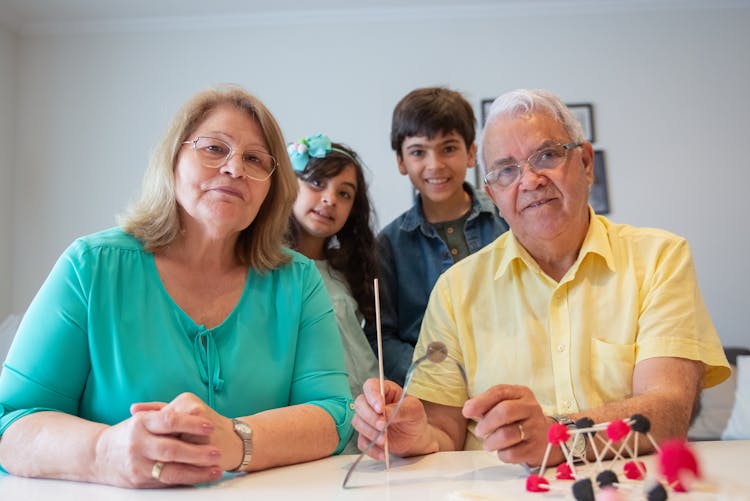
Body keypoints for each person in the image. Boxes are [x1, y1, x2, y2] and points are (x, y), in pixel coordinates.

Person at [352, 88, 730, 468]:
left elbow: (667, 412)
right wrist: (414, 435)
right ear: (493, 194)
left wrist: (557, 435)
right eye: (507, 170)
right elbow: (443, 430)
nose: (530, 180)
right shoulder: (454, 289)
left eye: (546, 156)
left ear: (585, 162)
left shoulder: (659, 258)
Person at [0, 85, 354, 488]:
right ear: (173, 159)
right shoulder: (90, 266)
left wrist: (237, 440)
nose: (235, 169)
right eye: (214, 149)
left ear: (271, 189)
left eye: (255, 159)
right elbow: (11, 422)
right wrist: (103, 451)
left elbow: (333, 415)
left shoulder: (299, 279)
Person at [369, 86, 508, 385]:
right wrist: (436, 378)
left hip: (514, 378)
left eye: (448, 148)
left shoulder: (507, 221)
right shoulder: (388, 245)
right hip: (433, 394)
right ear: (401, 162)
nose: (435, 165)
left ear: (471, 153)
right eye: (418, 152)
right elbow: (383, 337)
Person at [286, 133, 379, 453]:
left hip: (366, 422)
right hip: (309, 423)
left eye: (344, 194)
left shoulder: (350, 272)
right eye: (316, 183)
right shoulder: (270, 270)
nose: (330, 200)